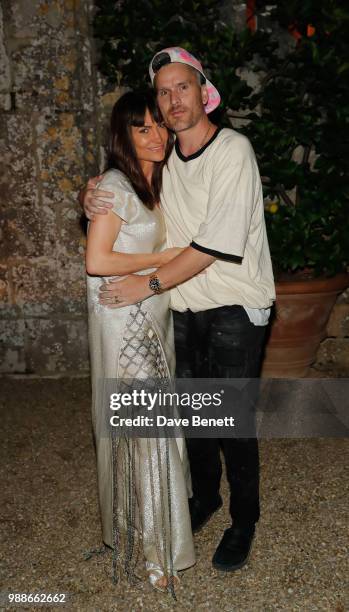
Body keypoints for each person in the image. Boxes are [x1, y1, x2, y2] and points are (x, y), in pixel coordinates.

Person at [82, 47, 275, 572]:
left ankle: (244, 520)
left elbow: (212, 246)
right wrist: (92, 192)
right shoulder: (163, 162)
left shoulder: (232, 150)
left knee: (233, 419)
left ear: (203, 89)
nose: (173, 99)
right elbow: (128, 189)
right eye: (163, 91)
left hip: (234, 305)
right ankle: (205, 498)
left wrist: (146, 283)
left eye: (181, 87)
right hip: (183, 307)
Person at [85, 89, 195, 593]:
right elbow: (98, 261)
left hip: (152, 318)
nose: (156, 135)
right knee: (145, 436)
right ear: (122, 135)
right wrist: (162, 259)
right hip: (126, 324)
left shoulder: (154, 181)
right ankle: (156, 551)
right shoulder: (114, 185)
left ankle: (143, 532)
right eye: (142, 127)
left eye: (159, 126)